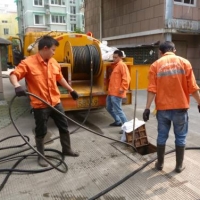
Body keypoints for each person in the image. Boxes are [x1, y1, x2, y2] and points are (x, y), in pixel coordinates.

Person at [9, 35, 79, 167]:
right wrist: (17, 86)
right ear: (45, 48)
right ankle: (41, 156)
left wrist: (71, 90)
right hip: (40, 105)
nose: (54, 52)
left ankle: (67, 149)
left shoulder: (53, 62)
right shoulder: (28, 62)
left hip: (56, 102)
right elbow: (14, 75)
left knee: (64, 126)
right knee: (41, 131)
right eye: (53, 50)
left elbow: (60, 78)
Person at [143, 41, 200, 173]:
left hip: (162, 109)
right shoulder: (184, 63)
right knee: (180, 137)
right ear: (174, 50)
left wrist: (147, 108)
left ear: (161, 52)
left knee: (162, 136)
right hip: (180, 108)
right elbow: (193, 88)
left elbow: (152, 89)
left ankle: (160, 164)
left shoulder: (155, 65)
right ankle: (179, 166)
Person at [106, 50, 131, 127]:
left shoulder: (122, 65)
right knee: (109, 108)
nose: (114, 59)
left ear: (120, 57)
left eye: (116, 57)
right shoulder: (116, 65)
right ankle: (118, 121)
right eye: (113, 57)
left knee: (118, 110)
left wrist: (122, 88)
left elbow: (127, 78)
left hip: (117, 92)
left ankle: (127, 127)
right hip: (111, 92)